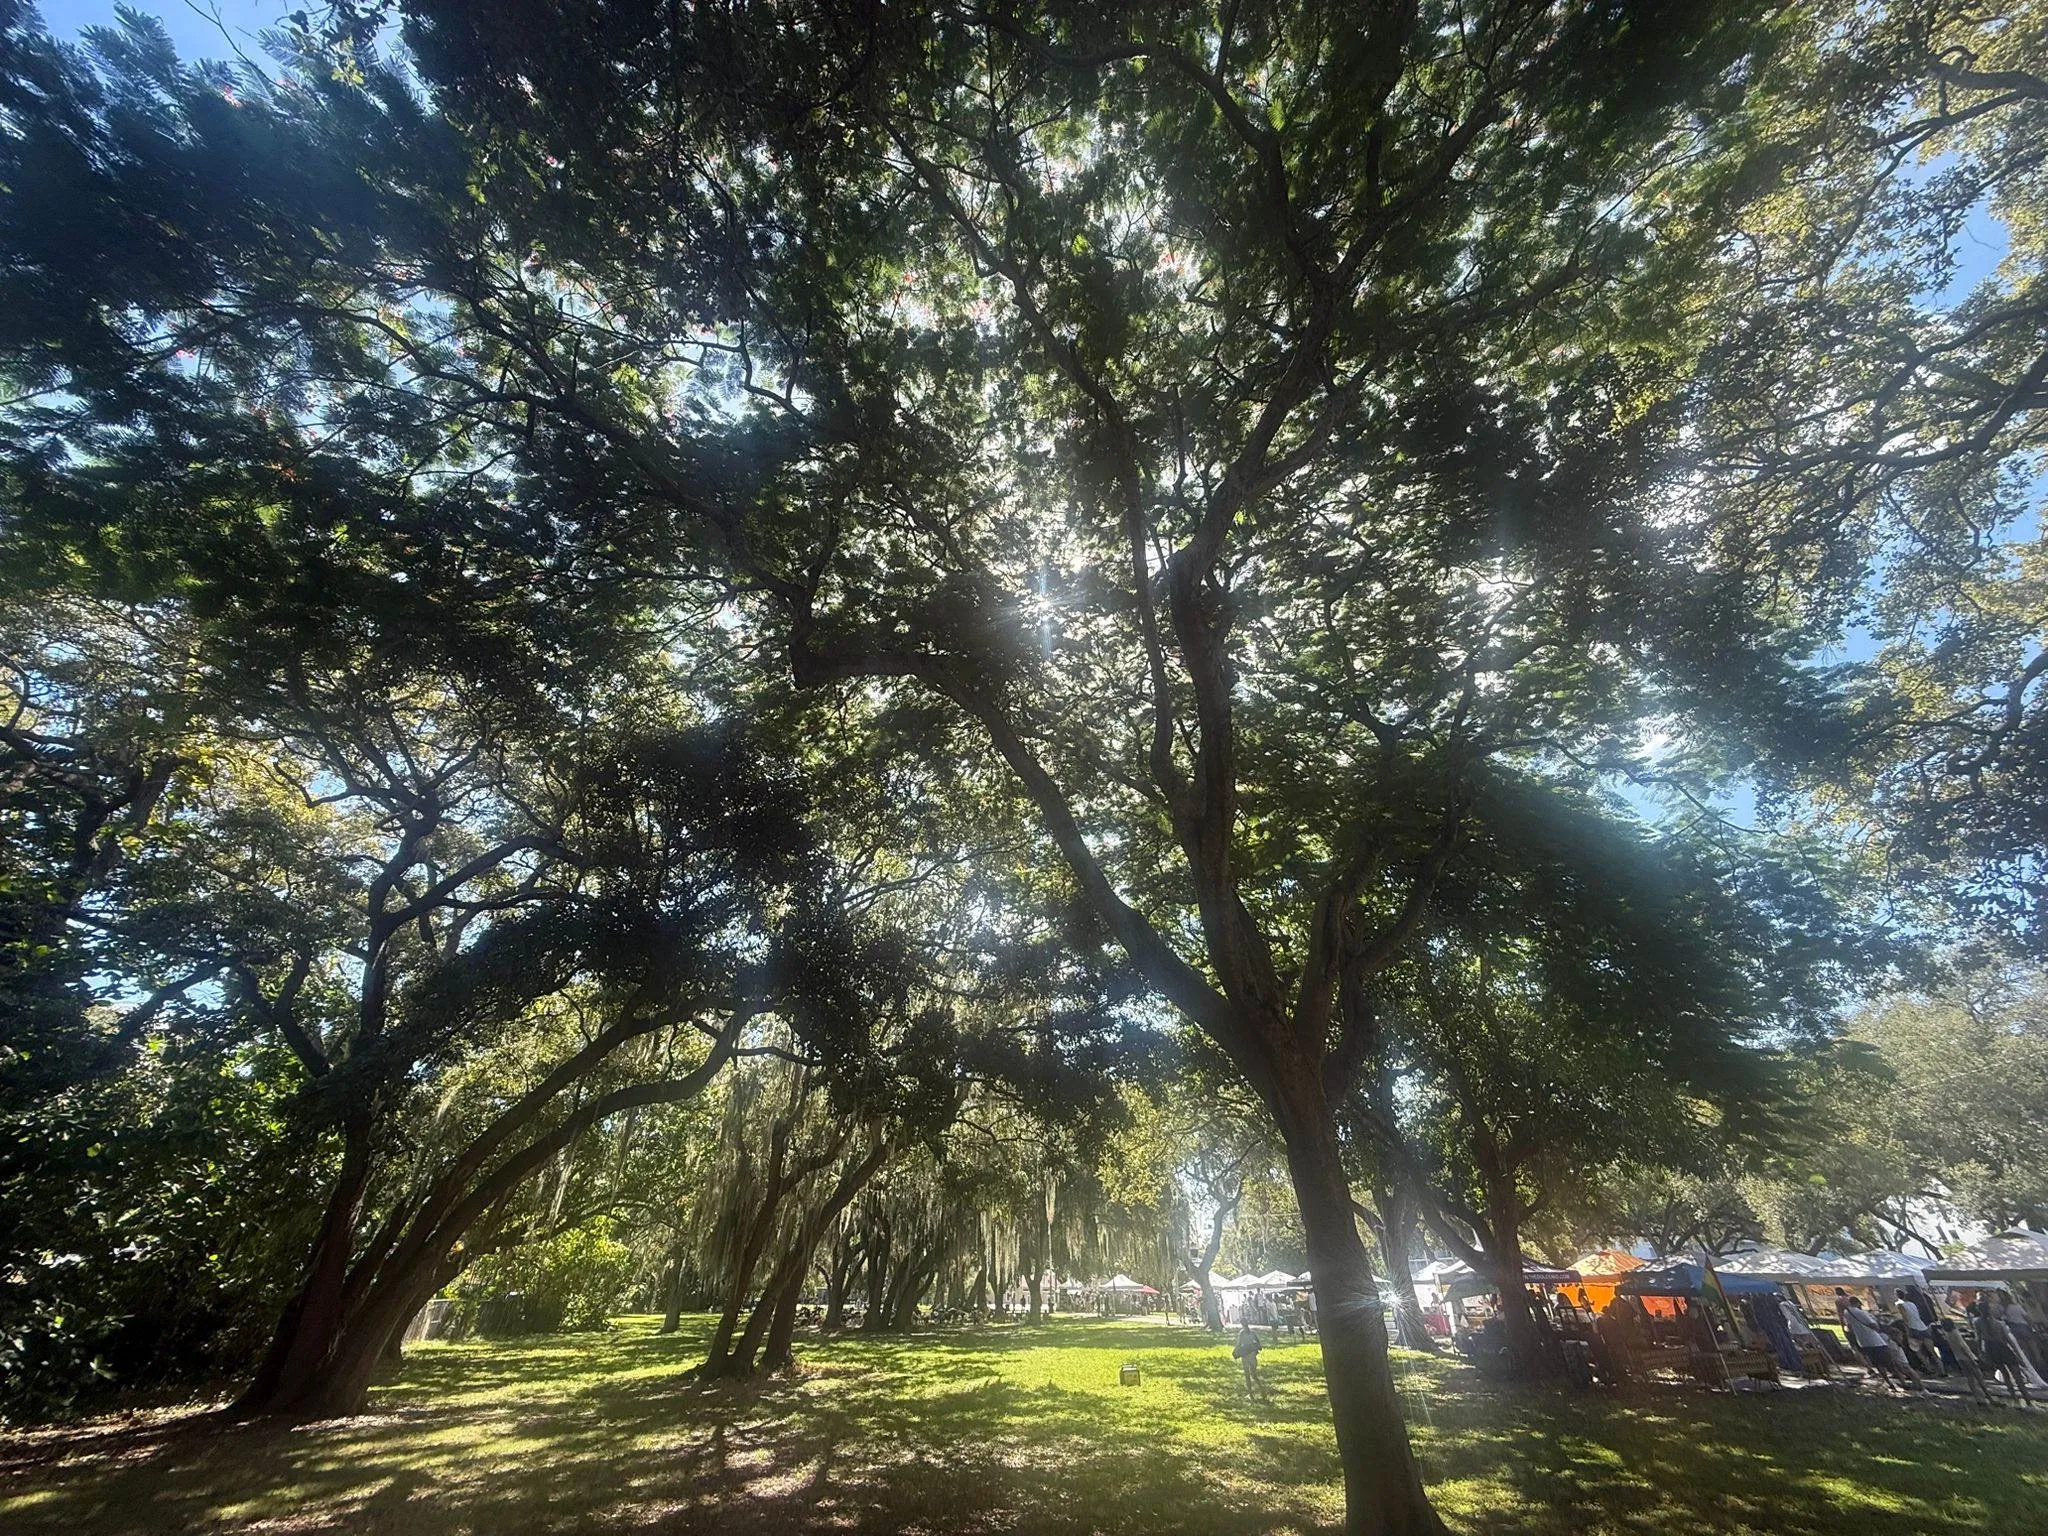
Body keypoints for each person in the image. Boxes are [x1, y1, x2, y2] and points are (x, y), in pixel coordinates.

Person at [1843, 1298, 1918, 1391]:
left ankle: (1889, 1383)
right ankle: (1903, 1383)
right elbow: (1874, 1325)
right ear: (1857, 1303)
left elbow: (1848, 1327)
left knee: (1878, 1365)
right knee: (1890, 1363)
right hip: (1876, 1341)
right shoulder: (1860, 1313)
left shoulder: (1846, 1313)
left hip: (1863, 1342)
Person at [1894, 1289, 1945, 1377]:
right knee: (1932, 1351)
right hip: (1922, 1327)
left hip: (1913, 1328)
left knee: (1918, 1351)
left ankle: (1929, 1369)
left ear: (1897, 1296)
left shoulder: (1899, 1305)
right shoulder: (1912, 1304)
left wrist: (1907, 1331)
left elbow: (1905, 1318)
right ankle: (1942, 1370)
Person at [1232, 1320, 1266, 1397]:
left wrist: (1235, 1352)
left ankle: (1250, 1393)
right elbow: (1259, 1345)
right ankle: (1261, 1390)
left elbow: (1239, 1344)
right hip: (1252, 1356)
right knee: (1254, 1375)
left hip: (1245, 1356)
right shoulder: (1253, 1333)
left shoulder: (1242, 1333)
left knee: (1247, 1375)